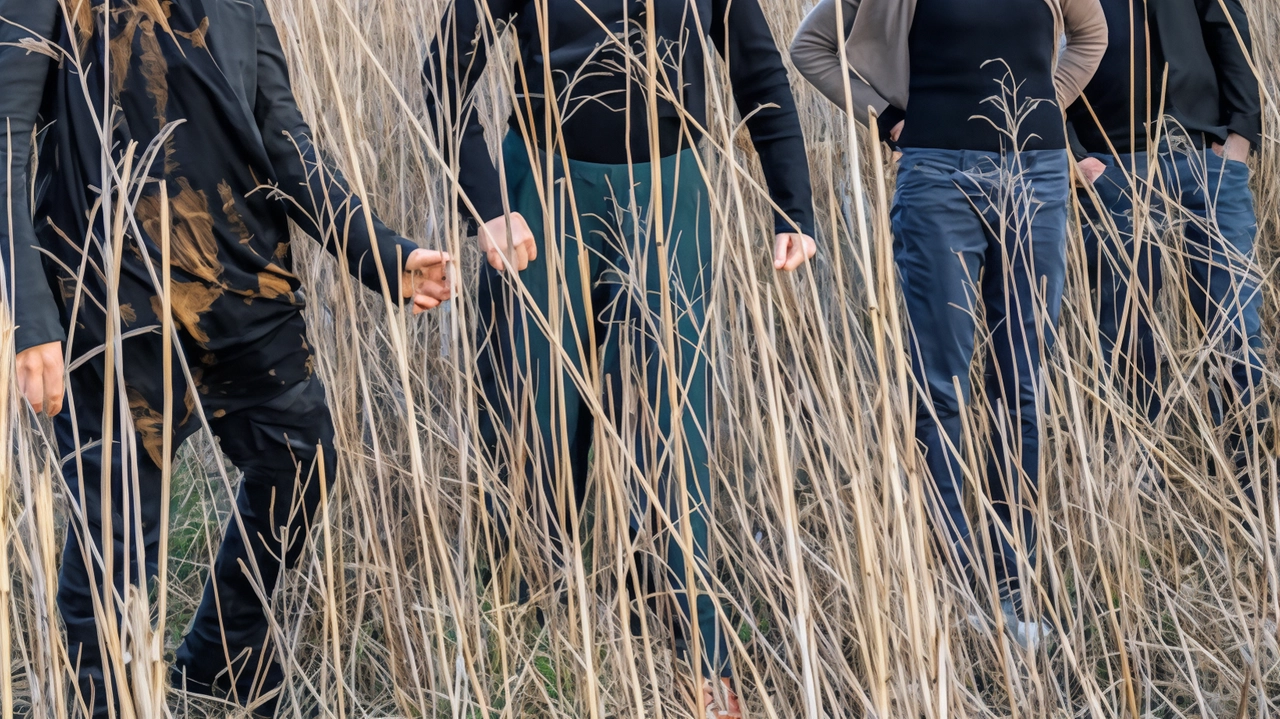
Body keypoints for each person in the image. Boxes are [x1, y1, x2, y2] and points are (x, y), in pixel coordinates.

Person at [1, 1, 452, 716]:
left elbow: (285, 138)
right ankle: (107, 700)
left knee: (300, 455)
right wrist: (31, 321)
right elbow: (8, 141)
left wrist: (378, 251)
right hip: (111, 301)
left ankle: (219, 658)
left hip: (239, 278)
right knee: (114, 548)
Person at [423, 0, 817, 712]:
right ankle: (522, 642)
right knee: (531, 417)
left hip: (671, 196)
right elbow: (443, 75)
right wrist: (485, 204)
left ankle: (695, 651)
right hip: (542, 190)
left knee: (675, 424)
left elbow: (758, 70)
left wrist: (791, 205)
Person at [791, 0, 1106, 647]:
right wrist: (883, 117)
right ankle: (961, 585)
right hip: (937, 180)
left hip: (1037, 176)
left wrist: (1046, 100)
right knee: (939, 388)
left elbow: (1091, 33)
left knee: (1020, 381)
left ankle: (1012, 581)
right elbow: (809, 47)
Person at [1069, 0, 1265, 501]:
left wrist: (1240, 136)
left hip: (1205, 156)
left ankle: (1254, 474)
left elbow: (1227, 27)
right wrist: (1075, 156)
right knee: (1125, 332)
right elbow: (1036, 50)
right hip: (1111, 164)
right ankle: (1140, 479)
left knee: (1235, 321)